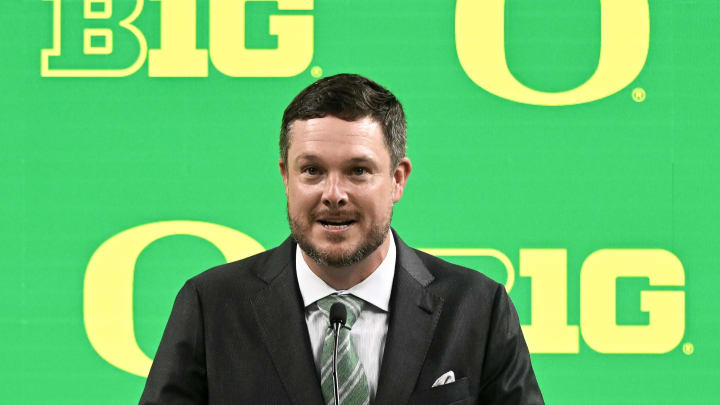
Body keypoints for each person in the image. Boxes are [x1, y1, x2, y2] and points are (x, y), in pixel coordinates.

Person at [139, 73, 544, 405]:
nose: (333, 193)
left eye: (358, 171)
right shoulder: (211, 306)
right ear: (286, 177)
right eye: (312, 171)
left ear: (397, 179)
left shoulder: (478, 308)